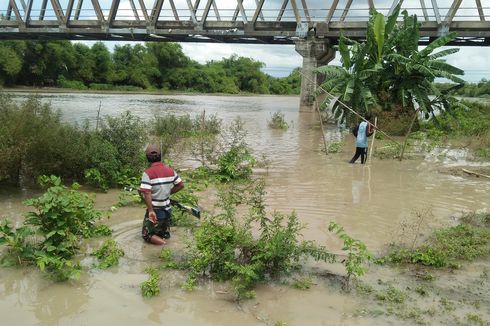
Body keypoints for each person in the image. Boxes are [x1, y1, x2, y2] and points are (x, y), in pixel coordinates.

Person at [139, 144, 184, 245]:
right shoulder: (170, 170)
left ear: (147, 158)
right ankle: (166, 244)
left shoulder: (147, 173)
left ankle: (165, 246)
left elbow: (147, 192)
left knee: (147, 235)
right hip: (167, 209)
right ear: (160, 156)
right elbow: (180, 185)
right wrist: (168, 192)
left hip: (156, 210)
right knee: (164, 233)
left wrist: (150, 210)